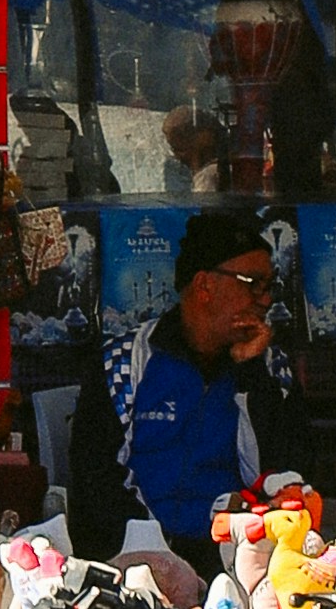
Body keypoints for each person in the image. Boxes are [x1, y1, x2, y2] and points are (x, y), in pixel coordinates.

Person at [108, 201, 293, 570]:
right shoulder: (125, 360)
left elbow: (285, 477)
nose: (266, 299)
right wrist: (154, 550)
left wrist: (249, 373)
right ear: (204, 285)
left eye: (269, 286)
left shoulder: (272, 367)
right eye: (253, 285)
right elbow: (98, 481)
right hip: (141, 557)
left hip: (240, 556)